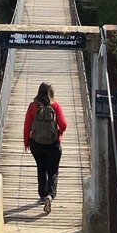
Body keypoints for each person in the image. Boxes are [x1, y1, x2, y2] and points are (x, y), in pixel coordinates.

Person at [24, 81, 68, 214]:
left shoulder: (33, 107)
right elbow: (64, 125)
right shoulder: (55, 106)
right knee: (53, 170)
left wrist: (27, 142)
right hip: (53, 144)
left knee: (41, 167)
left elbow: (27, 126)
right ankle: (50, 195)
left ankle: (42, 194)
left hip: (36, 144)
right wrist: (58, 133)